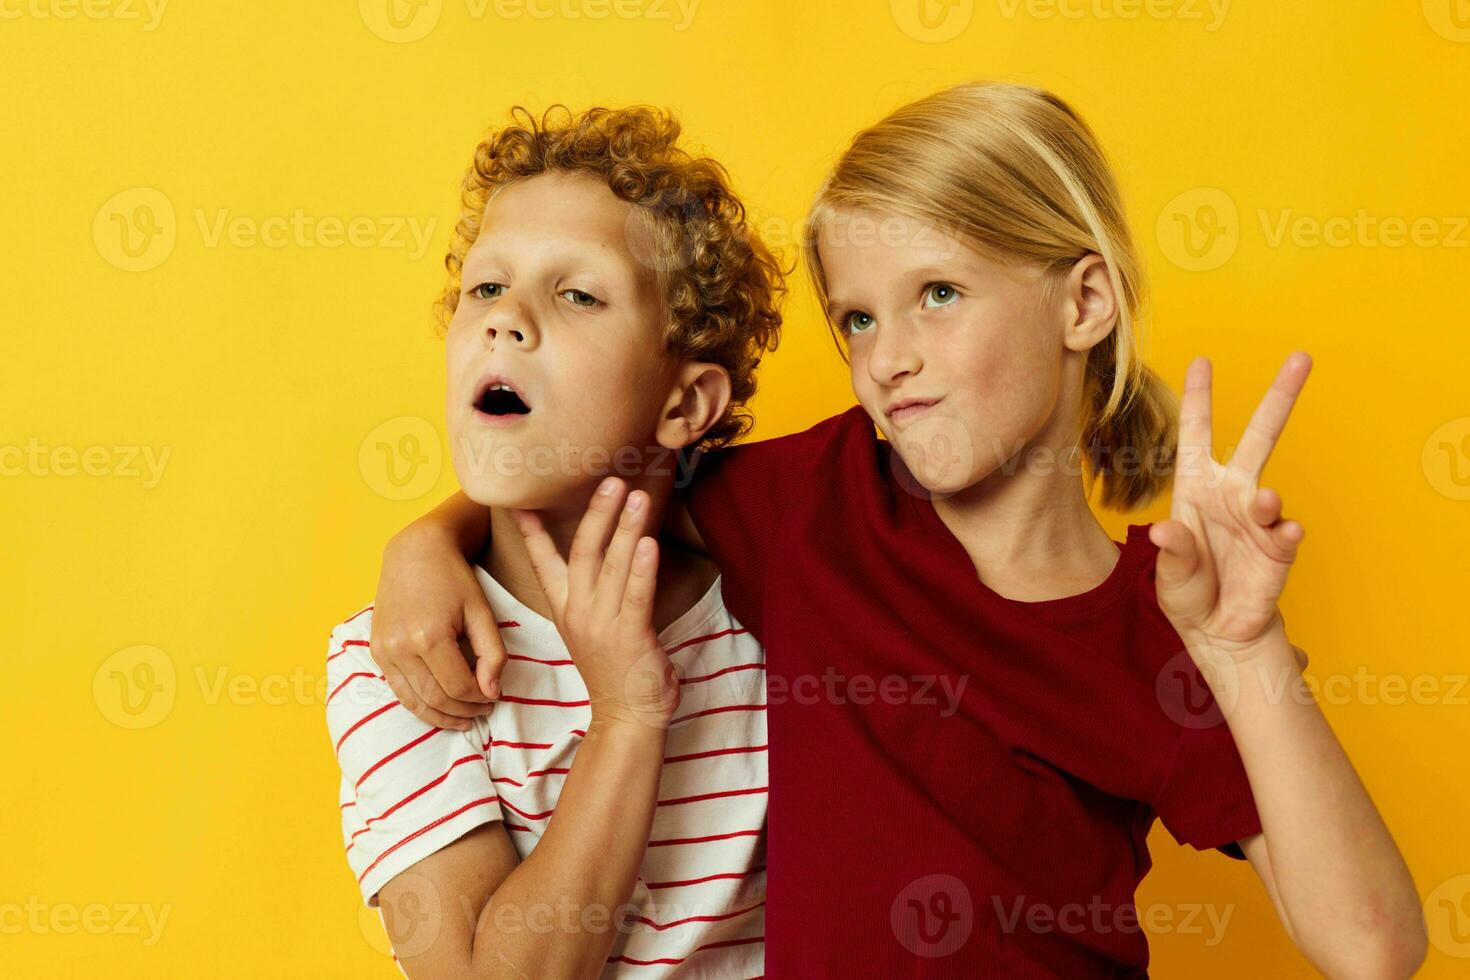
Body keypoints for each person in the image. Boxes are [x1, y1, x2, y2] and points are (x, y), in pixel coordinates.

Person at [370, 83, 1425, 976]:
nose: (889, 357)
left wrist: (1244, 650)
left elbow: (1375, 945)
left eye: (939, 294)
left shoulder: (1164, 623)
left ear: (1084, 301)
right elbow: (596, 464)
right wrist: (426, 540)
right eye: (860, 319)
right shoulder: (813, 502)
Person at [325, 104, 783, 978]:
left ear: (684, 405)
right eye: (487, 288)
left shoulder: (775, 612)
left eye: (577, 294)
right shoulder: (403, 654)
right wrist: (627, 717)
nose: (507, 319)